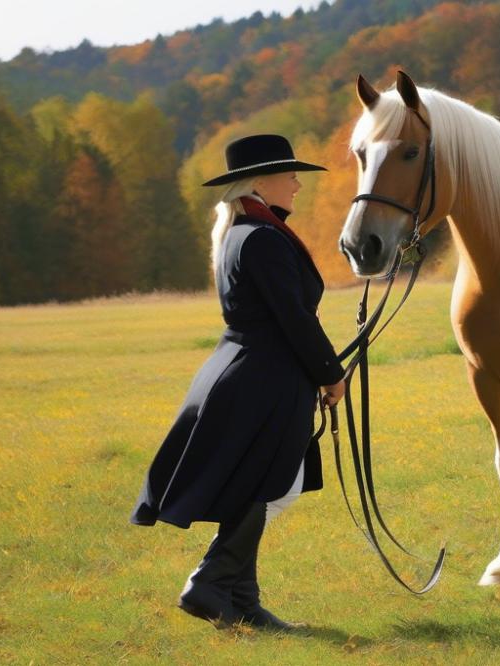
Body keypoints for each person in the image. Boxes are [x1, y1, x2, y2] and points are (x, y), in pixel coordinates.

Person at [128, 134, 346, 632]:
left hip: (251, 373)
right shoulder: (264, 239)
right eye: (290, 175)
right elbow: (294, 318)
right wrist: (332, 375)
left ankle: (240, 599)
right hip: (264, 380)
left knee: (259, 483)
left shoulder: (244, 232)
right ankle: (209, 582)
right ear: (262, 181)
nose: (297, 184)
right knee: (274, 485)